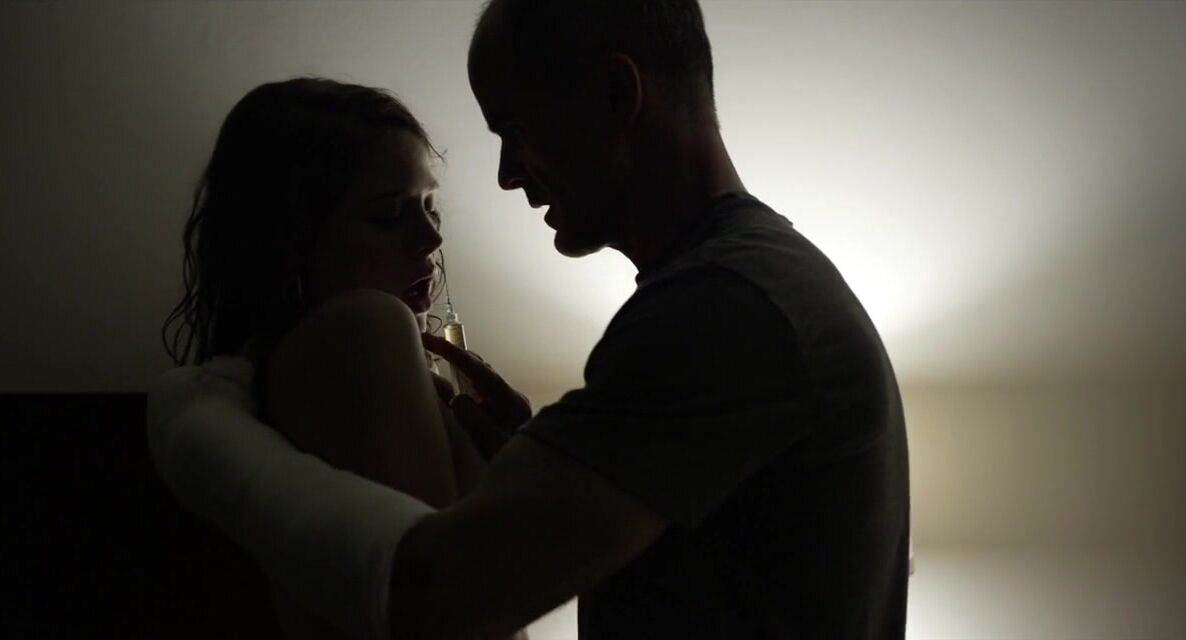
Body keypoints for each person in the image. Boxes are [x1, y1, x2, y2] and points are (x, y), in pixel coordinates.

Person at [149, 1, 911, 639]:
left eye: (515, 131)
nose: (508, 174)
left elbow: (435, 595)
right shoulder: (759, 281)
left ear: (615, 95)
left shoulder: (725, 304)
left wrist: (200, 435)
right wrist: (565, 458)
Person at [157, 77, 502, 637]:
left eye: (429, 206)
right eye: (388, 215)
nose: (431, 239)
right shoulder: (365, 325)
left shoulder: (276, 369)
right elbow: (446, 606)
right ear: (290, 237)